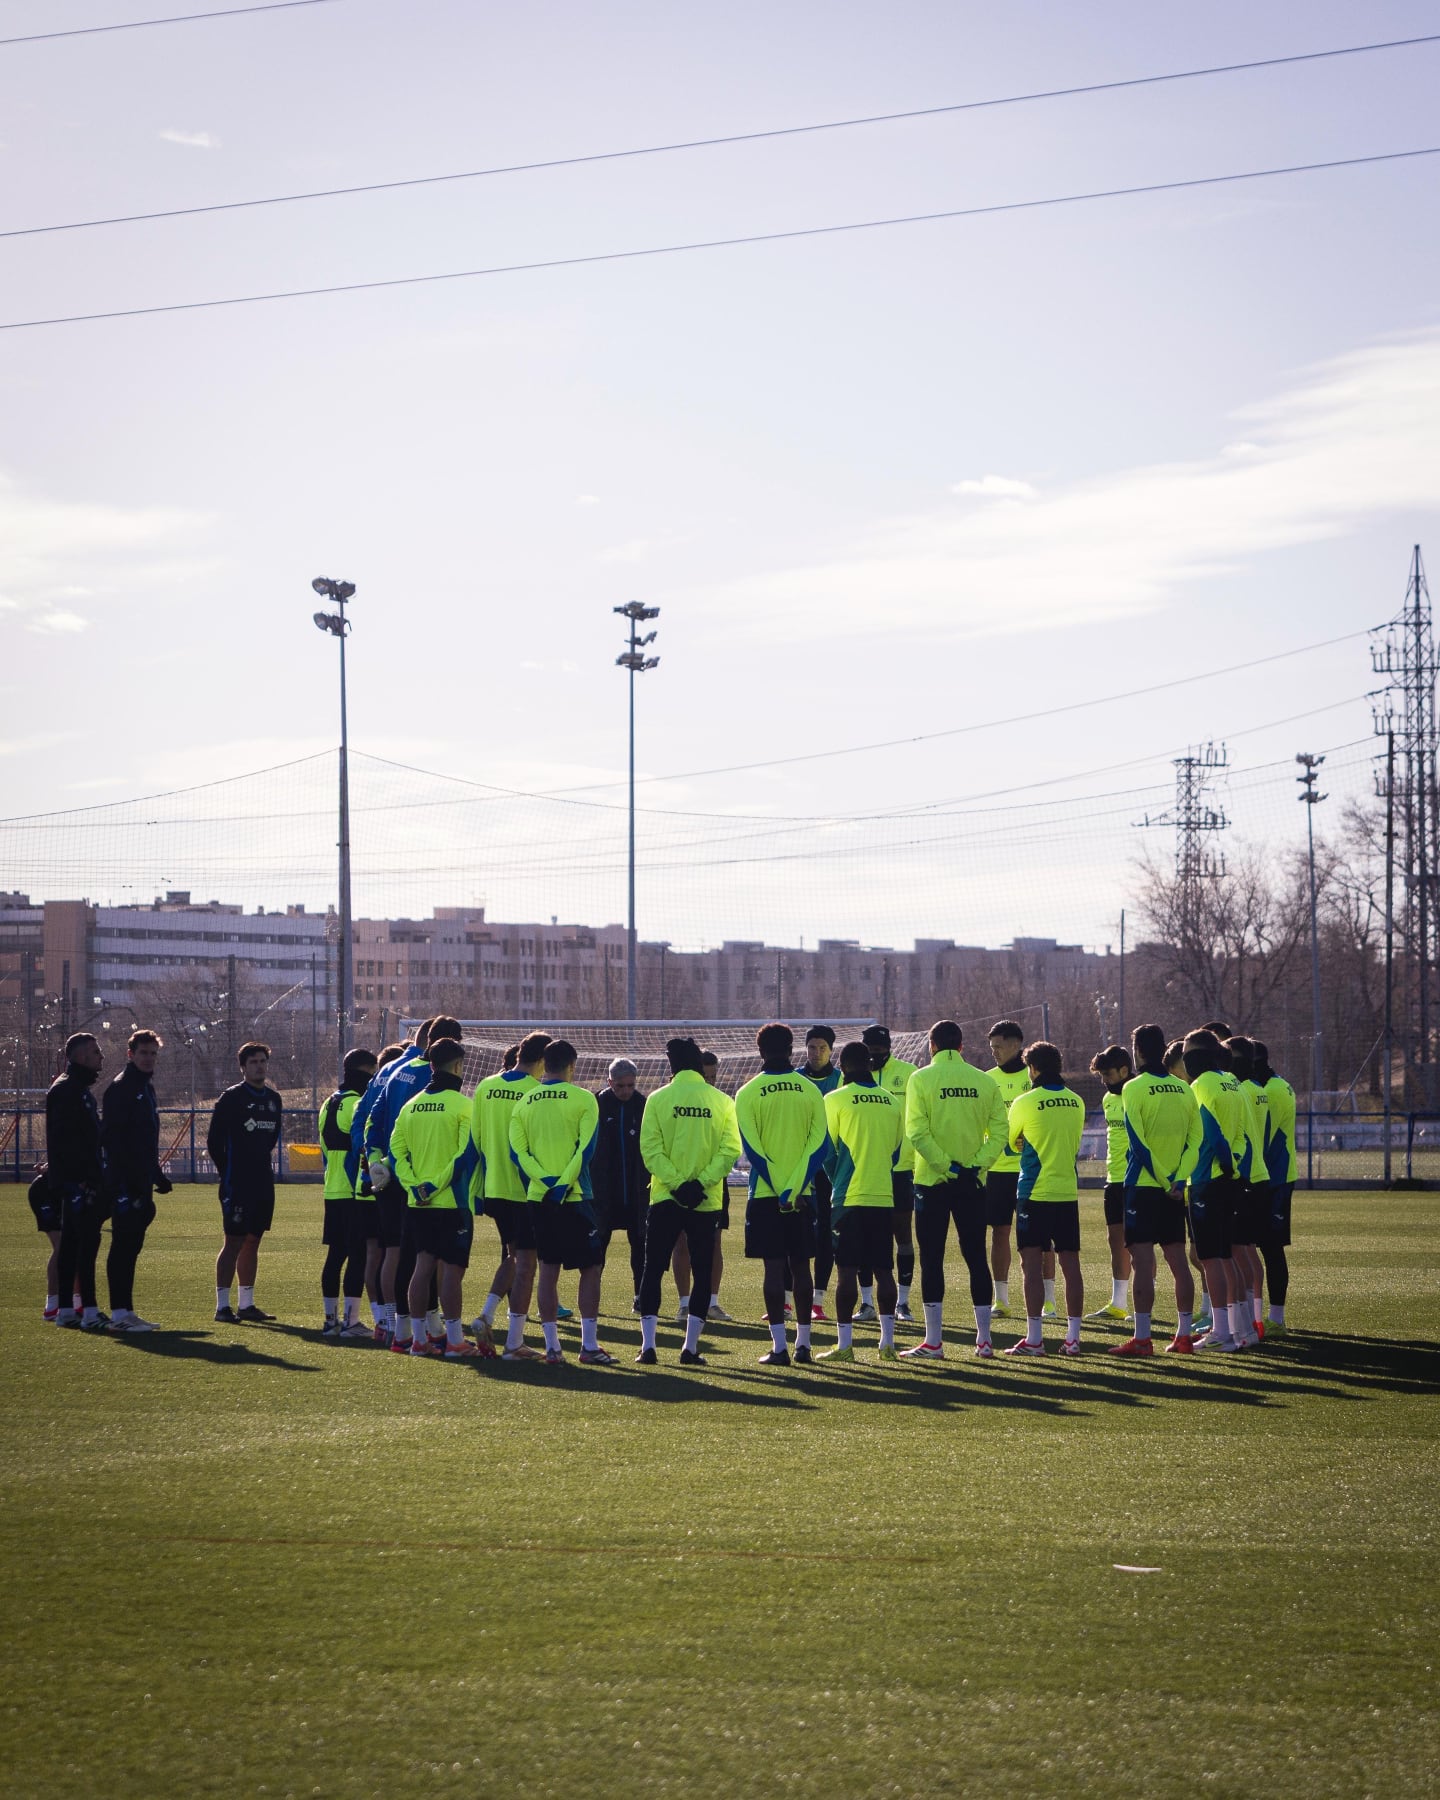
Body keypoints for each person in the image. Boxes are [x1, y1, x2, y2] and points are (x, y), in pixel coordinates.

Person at [899, 1020, 1008, 1361]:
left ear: (931, 1046)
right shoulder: (984, 1079)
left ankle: (934, 1342)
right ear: (961, 1047)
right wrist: (976, 1165)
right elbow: (1001, 1132)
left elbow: (917, 1132)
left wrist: (947, 1166)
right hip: (972, 1183)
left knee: (932, 1259)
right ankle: (985, 1341)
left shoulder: (921, 1078)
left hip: (933, 1181)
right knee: (976, 1256)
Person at [636, 1037, 742, 1367]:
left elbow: (650, 1150)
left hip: (666, 1196)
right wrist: (699, 1183)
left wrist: (678, 1184)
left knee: (653, 1269)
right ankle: (690, 1348)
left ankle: (649, 1347)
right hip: (705, 1200)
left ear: (672, 1066)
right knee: (703, 1270)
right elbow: (730, 1151)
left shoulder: (657, 1098)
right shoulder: (722, 1101)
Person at [368, 1016, 464, 1354]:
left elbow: (372, 1118)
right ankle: (414, 1330)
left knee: (405, 1253)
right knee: (424, 1258)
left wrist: (376, 1160)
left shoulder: (394, 1070)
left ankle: (402, 1327)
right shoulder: (435, 1081)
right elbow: (462, 1149)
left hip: (397, 1176)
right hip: (428, 1185)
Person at [735, 1023, 829, 1366]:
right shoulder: (809, 1090)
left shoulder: (747, 1092)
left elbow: (753, 1150)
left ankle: (779, 1348)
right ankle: (804, 1345)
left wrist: (779, 1188)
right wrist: (793, 1186)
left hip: (765, 1195)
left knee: (774, 1270)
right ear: (792, 1051)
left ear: (760, 1051)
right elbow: (820, 1146)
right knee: (802, 1267)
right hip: (802, 1194)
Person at [509, 1039, 606, 1366]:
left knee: (547, 1270)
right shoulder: (584, 1099)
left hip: (540, 1197)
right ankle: (588, 1346)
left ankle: (552, 1348)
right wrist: (563, 1183)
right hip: (575, 1195)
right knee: (590, 1268)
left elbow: (518, 1153)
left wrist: (545, 1182)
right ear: (572, 1066)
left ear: (543, 1064)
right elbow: (586, 1149)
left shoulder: (524, 1101)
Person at [389, 1036, 482, 1360]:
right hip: (451, 1202)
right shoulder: (463, 1105)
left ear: (431, 1065)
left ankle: (418, 1340)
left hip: (418, 1203)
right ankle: (455, 1340)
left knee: (422, 1266)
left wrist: (415, 1186)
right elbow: (464, 1155)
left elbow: (396, 1153)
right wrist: (435, 1185)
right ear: (457, 1066)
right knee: (452, 1271)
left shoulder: (410, 1106)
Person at [1111, 1023, 1201, 1356]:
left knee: (1143, 1263)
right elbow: (1196, 1140)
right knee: (1178, 1260)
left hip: (1144, 1186)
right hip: (1176, 1188)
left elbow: (1138, 1143)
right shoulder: (1185, 1089)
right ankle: (1184, 1335)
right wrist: (1179, 1178)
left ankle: (1143, 1338)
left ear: (1137, 1052)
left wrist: (1164, 1180)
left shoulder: (1133, 1088)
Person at [818, 1040, 904, 1363]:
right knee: (884, 1270)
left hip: (848, 1196)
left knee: (847, 1271)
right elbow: (895, 1152)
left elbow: (827, 1151)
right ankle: (888, 1345)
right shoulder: (891, 1101)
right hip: (883, 1195)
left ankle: (844, 1346)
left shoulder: (835, 1099)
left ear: (842, 1067)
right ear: (870, 1065)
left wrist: (838, 1179)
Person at [470, 1030, 551, 1361]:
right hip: (525, 1190)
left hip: (494, 1189)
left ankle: (486, 1316)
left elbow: (476, 1139)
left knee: (514, 1255)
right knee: (527, 1264)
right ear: (543, 1060)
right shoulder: (536, 1092)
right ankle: (514, 1343)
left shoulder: (486, 1086)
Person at [1004, 1041, 1086, 1356]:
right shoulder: (1076, 1101)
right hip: (1067, 1191)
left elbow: (1013, 1143)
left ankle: (1035, 1339)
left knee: (1031, 1265)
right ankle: (1073, 1338)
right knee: (1070, 1264)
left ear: (1033, 1068)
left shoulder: (1025, 1101)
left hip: (1034, 1192)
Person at [101, 1027, 174, 1333]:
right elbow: (113, 1140)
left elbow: (144, 1141)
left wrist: (156, 1175)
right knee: (122, 1245)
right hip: (125, 1182)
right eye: (143, 1053)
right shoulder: (121, 1087)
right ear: (130, 1054)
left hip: (140, 1181)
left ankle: (127, 1311)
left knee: (131, 1247)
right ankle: (119, 1314)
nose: (148, 1058)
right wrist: (126, 1182)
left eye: (153, 1053)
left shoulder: (145, 1087)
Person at [1180, 1028, 1248, 1352]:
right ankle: (1240, 1326)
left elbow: (1211, 1130)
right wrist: (1234, 1163)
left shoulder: (1200, 1085)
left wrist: (1224, 1161)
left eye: (1188, 1052)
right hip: (1228, 1176)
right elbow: (1241, 1132)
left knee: (1211, 1259)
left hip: (1207, 1178)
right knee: (1226, 1254)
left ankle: (1222, 1330)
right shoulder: (1232, 1081)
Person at [209, 1041, 283, 1323]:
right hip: (236, 1182)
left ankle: (247, 1304)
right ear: (242, 1067)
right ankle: (222, 1306)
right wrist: (227, 1172)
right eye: (253, 1062)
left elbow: (271, 1138)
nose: (259, 1066)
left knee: (253, 1240)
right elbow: (214, 1141)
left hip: (263, 1180)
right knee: (234, 1241)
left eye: (262, 1061)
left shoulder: (274, 1099)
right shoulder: (231, 1098)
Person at [319, 1047, 379, 1340]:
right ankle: (351, 1321)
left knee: (335, 1255)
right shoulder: (356, 1103)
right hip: (352, 1190)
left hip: (332, 1188)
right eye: (372, 1072)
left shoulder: (328, 1102)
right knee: (357, 1256)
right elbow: (360, 1145)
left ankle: (330, 1321)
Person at [859, 1025, 918, 1323]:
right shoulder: (854, 1076)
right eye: (871, 1051)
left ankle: (903, 1303)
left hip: (901, 1170)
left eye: (881, 1051)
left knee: (903, 1235)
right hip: (865, 1170)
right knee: (866, 1238)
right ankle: (867, 1302)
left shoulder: (908, 1073)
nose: (876, 1057)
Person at [671, 1049, 734, 1323]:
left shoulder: (721, 1103)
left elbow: (727, 1146)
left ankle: (712, 1301)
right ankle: (685, 1303)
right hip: (679, 1183)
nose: (709, 1081)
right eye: (705, 1076)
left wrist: (708, 1177)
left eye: (713, 1077)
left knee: (714, 1242)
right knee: (681, 1242)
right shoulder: (675, 1101)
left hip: (713, 1183)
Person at [50, 1032, 108, 1331]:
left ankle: (66, 1310)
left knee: (73, 1245)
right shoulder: (66, 1090)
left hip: (79, 1180)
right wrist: (79, 1179)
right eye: (96, 1051)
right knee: (84, 1246)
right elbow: (64, 1142)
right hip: (78, 1183)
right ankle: (88, 1310)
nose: (101, 1057)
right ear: (81, 1056)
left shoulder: (78, 1090)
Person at [984, 1020, 1035, 1318]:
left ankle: (1048, 1300)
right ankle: (1000, 1299)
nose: (994, 1052)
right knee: (999, 1231)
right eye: (992, 1047)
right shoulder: (987, 1080)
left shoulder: (1036, 1076)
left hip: (1032, 1169)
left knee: (1039, 1238)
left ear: (1017, 1045)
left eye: (999, 1047)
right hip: (998, 1169)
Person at [591, 1057, 650, 1310]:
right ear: (609, 1082)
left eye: (630, 1085)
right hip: (604, 1193)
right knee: (597, 1250)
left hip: (637, 1192)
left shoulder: (643, 1105)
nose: (626, 1091)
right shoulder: (596, 1104)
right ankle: (592, 1299)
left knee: (640, 1248)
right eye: (620, 1086)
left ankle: (640, 1297)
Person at [1251, 1039, 1297, 1333]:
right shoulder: (1278, 1084)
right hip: (1275, 1175)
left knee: (1271, 1248)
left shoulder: (1271, 1091)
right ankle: (1268, 1315)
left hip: (1275, 1178)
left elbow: (1266, 1139)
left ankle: (1276, 1318)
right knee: (1265, 1247)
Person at [1225, 1036, 1268, 1348]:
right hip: (1257, 1173)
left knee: (1236, 1251)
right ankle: (1255, 1317)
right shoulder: (1255, 1089)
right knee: (1247, 1249)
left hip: (1246, 1174)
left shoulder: (1241, 1089)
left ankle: (1246, 1321)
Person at [1087, 1046, 1134, 1323]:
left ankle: (1144, 1301)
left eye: (1108, 1074)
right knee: (1115, 1240)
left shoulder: (1136, 1093)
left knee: (1139, 1243)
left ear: (1124, 1071)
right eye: (1101, 1075)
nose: (1105, 1080)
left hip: (1138, 1179)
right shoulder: (1108, 1099)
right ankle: (1118, 1303)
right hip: (1113, 1179)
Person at [796, 1025, 839, 1320]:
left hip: (828, 1169)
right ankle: (788, 1299)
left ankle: (818, 1301)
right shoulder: (794, 1080)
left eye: (822, 1047)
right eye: (812, 1047)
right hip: (798, 1166)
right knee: (794, 1232)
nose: (816, 1052)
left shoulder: (841, 1080)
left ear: (831, 1050)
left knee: (825, 1233)